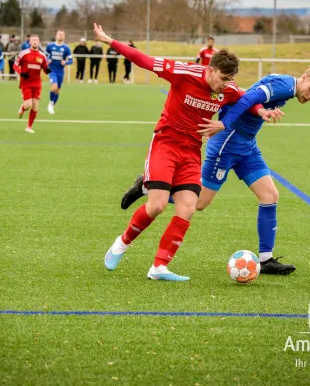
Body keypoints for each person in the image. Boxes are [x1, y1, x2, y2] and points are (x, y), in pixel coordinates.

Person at [93, 23, 280, 281]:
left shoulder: (227, 90)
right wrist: (110, 41)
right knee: (157, 205)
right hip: (166, 144)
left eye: (231, 80)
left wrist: (261, 110)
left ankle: (159, 267)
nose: (227, 86)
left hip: (192, 151)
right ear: (211, 70)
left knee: (189, 207)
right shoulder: (183, 72)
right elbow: (144, 60)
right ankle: (122, 244)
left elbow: (246, 99)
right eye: (224, 79)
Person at [121, 65, 310, 275]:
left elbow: (251, 96)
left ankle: (266, 259)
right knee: (200, 203)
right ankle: (147, 188)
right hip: (228, 143)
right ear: (303, 77)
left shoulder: (286, 85)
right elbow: (247, 98)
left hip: (247, 145)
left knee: (270, 195)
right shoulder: (285, 86)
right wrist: (224, 123)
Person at [14, 35, 50, 134]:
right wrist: (21, 73)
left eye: (36, 40)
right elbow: (15, 65)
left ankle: (28, 127)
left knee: (35, 106)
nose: (35, 42)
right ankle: (22, 108)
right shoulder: (24, 53)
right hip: (26, 82)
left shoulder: (42, 55)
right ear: (30, 42)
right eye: (33, 40)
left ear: (39, 42)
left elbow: (45, 69)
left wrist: (47, 70)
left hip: (37, 83)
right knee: (28, 105)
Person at [45, 29, 73, 114]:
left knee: (57, 90)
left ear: (64, 37)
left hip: (60, 71)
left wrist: (65, 62)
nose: (61, 36)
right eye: (59, 34)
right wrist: (47, 60)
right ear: (56, 36)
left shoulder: (66, 48)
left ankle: (52, 104)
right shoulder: (50, 46)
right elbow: (44, 57)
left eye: (62, 35)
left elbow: (71, 60)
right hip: (52, 70)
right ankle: (50, 103)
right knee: (54, 87)